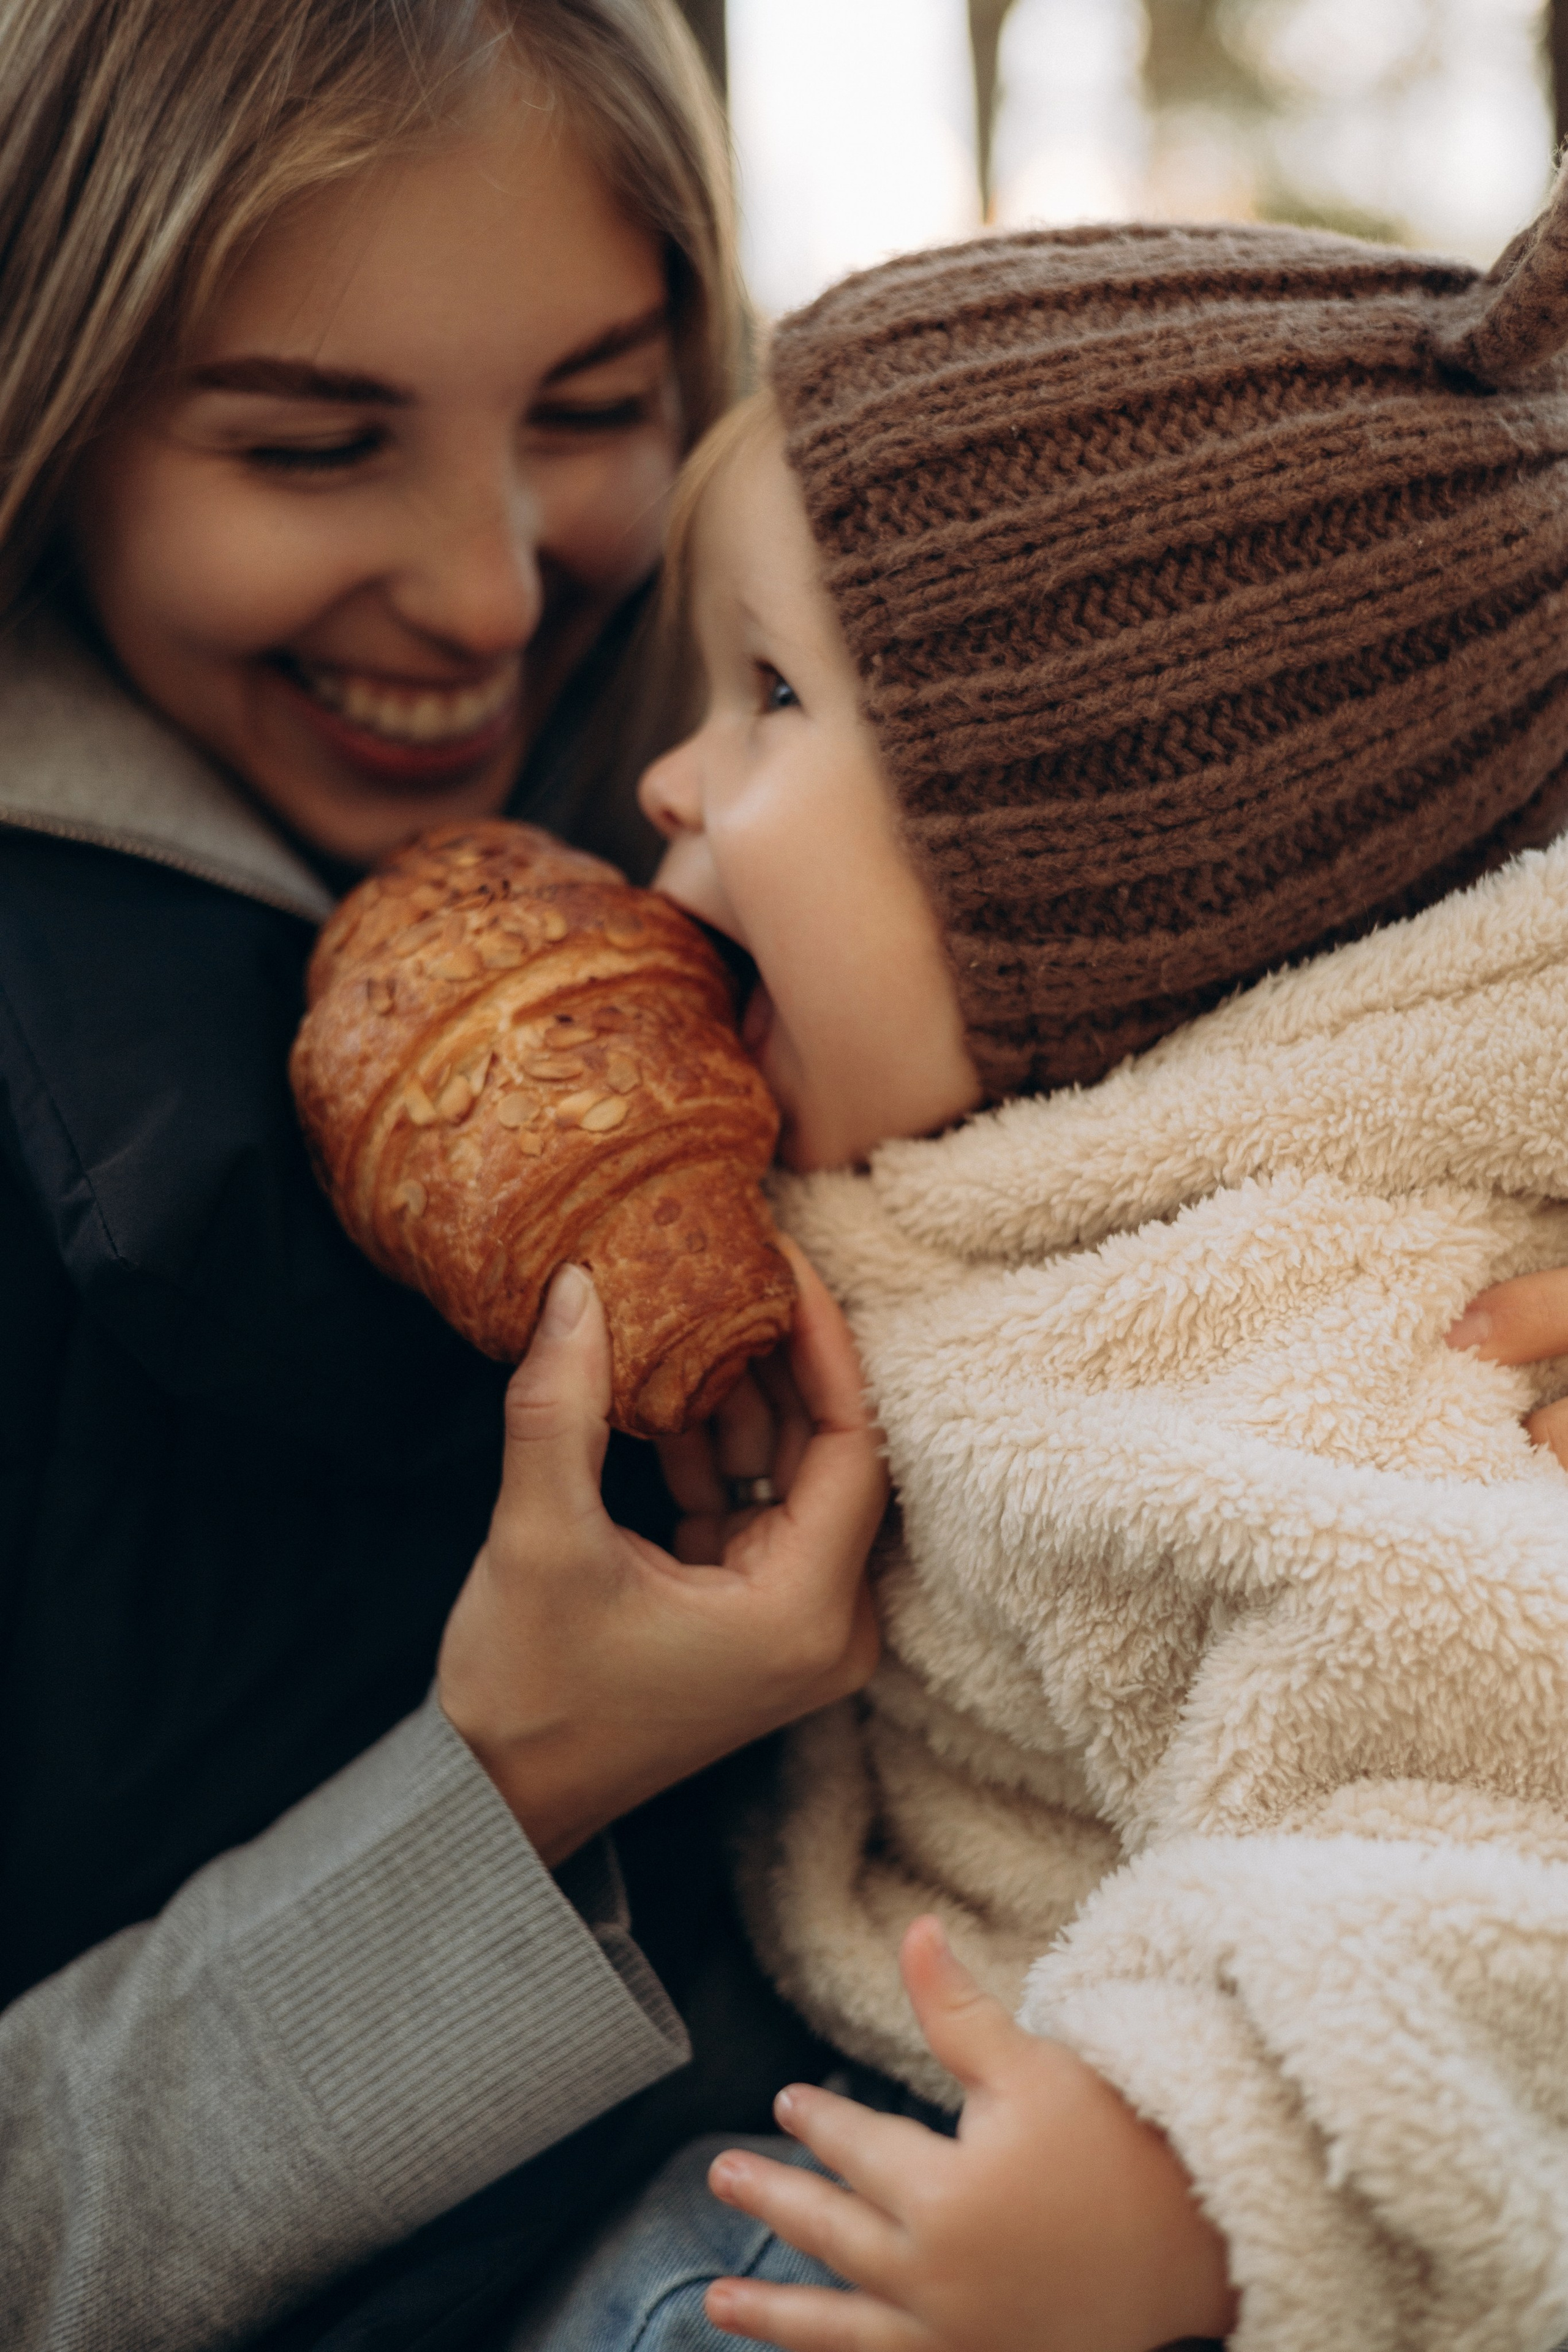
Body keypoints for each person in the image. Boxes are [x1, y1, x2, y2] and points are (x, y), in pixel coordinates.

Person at [511, 186, 1568, 2352]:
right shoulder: (1027, 1179)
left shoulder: (1268, 1333)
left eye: (777, 693)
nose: (670, 774)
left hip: (1114, 2197)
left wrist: (1195, 2176)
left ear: (1111, 870)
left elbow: (1494, 1843)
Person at [0, 6, 888, 2348]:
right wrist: (513, 1782)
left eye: (595, 410)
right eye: (312, 445)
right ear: (46, 400)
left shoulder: (792, 827)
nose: (493, 593)